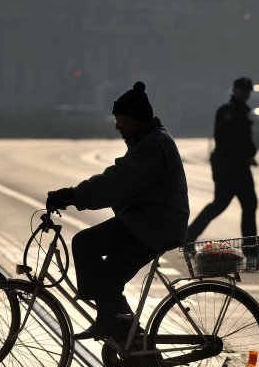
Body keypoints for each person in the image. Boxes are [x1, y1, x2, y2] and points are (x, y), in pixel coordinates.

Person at [46, 81, 189, 340]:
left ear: (136, 118)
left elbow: (116, 182)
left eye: (120, 118)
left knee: (84, 243)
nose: (117, 125)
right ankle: (134, 340)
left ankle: (108, 322)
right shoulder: (149, 139)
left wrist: (73, 195)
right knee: (109, 280)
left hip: (153, 224)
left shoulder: (152, 146)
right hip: (151, 222)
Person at [186, 77, 259, 256]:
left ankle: (250, 247)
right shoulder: (227, 111)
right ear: (235, 90)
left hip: (240, 166)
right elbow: (226, 140)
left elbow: (244, 139)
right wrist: (246, 154)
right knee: (220, 204)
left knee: (249, 204)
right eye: (243, 90)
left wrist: (248, 154)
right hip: (227, 167)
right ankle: (188, 237)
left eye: (248, 91)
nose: (246, 94)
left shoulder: (242, 110)